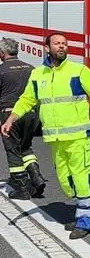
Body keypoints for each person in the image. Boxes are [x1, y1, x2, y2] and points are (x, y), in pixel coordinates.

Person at [0, 32, 90, 240]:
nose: (62, 47)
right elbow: (27, 100)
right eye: (57, 44)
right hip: (55, 140)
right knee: (65, 181)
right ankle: (88, 212)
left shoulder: (78, 71)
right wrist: (10, 120)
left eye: (64, 44)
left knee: (82, 177)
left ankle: (86, 220)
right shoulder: (38, 74)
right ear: (47, 48)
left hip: (78, 137)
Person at [0, 38, 46, 200]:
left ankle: (22, 187)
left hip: (10, 114)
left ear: (2, 53)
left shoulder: (2, 70)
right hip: (31, 113)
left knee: (12, 148)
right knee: (25, 147)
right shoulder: (31, 69)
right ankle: (36, 176)